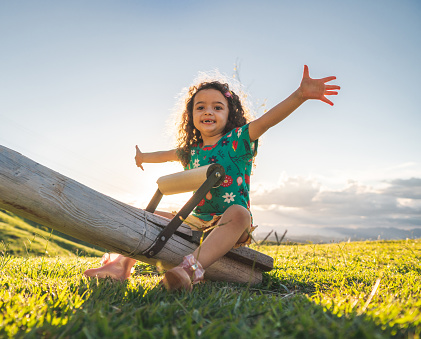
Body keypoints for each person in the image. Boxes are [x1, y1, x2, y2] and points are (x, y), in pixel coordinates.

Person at [84, 65, 340, 291]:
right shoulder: (191, 152)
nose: (209, 111)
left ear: (230, 114)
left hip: (230, 222)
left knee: (240, 213)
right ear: (191, 116)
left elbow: (267, 121)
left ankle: (189, 271)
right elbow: (165, 155)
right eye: (201, 107)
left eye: (218, 107)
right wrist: (143, 158)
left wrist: (300, 95)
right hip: (196, 219)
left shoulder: (238, 141)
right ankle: (120, 265)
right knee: (145, 215)